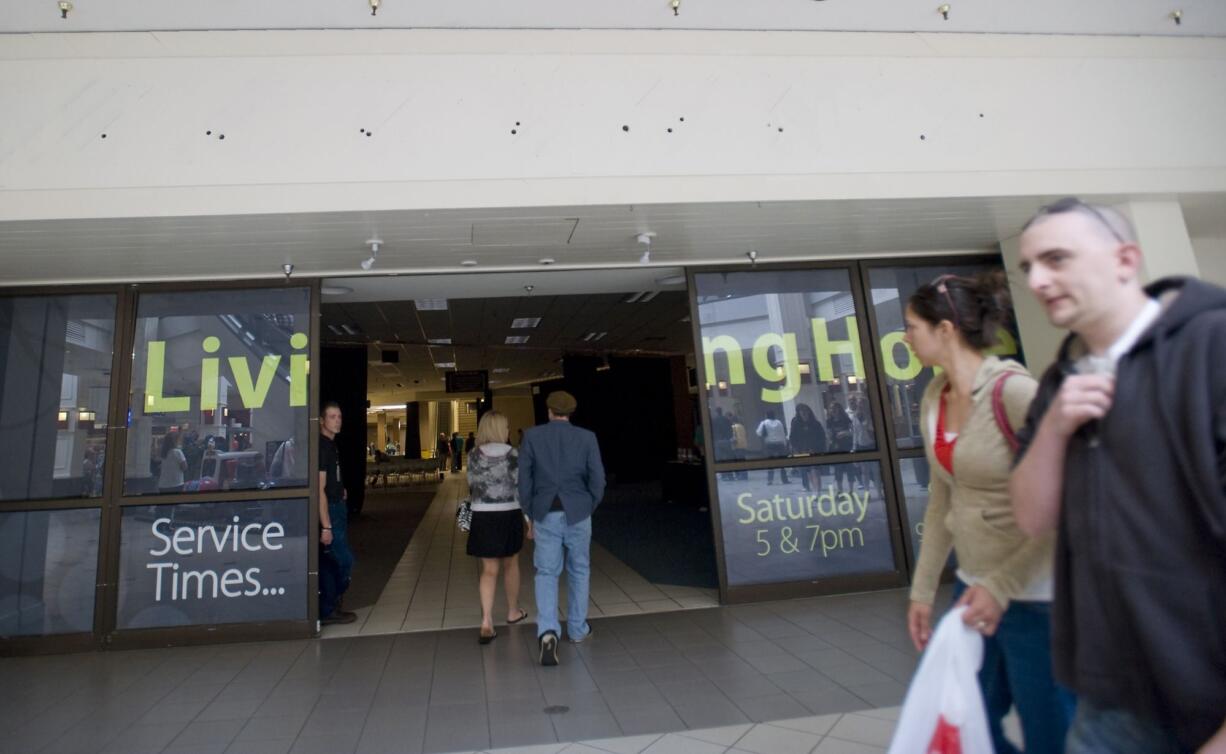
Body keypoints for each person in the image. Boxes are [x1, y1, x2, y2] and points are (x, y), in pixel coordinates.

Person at [1008, 197, 1226, 753]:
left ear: (1125, 260)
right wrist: (1055, 427)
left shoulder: (1211, 348)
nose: (1038, 279)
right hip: (1114, 700)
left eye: (1057, 259)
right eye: (1028, 266)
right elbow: (1033, 516)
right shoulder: (1060, 379)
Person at [903, 270, 1071, 754]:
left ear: (946, 331)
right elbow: (942, 498)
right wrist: (921, 590)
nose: (906, 338)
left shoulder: (1017, 394)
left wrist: (1001, 586)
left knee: (1050, 732)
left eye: (912, 327)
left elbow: (1068, 504)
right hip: (973, 586)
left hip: (1036, 596)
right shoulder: (934, 397)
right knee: (967, 717)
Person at [518, 390, 605, 666]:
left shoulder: (532, 436)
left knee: (546, 572)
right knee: (579, 569)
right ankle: (578, 629)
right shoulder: (587, 437)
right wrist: (588, 506)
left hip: (545, 514)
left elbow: (524, 481)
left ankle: (547, 631)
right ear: (571, 412)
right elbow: (598, 480)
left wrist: (530, 514)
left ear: (549, 411)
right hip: (578, 513)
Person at [465, 411, 530, 644]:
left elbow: (472, 485)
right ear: (500, 429)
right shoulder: (514, 455)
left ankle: (486, 621)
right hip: (509, 514)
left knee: (488, 570)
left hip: (483, 516)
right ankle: (512, 612)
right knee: (511, 564)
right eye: (506, 426)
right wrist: (529, 522)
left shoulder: (472, 455)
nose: (509, 430)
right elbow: (522, 490)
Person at [318, 401, 356, 625]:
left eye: (339, 416)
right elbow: (319, 489)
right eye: (332, 417)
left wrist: (340, 488)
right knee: (343, 560)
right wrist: (326, 525)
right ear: (322, 421)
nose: (337, 420)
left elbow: (331, 480)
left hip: (336, 507)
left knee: (331, 561)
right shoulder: (323, 447)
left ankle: (330, 607)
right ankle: (330, 606)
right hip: (330, 511)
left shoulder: (331, 446)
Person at [788, 403, 827, 491]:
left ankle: (817, 492)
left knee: (815, 472)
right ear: (799, 413)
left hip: (815, 451)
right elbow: (792, 438)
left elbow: (822, 438)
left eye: (805, 411)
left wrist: (819, 449)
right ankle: (814, 489)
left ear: (809, 412)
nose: (804, 413)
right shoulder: (796, 424)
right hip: (802, 451)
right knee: (809, 472)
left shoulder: (816, 424)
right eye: (802, 412)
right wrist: (796, 449)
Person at [755, 410, 789, 484]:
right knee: (782, 463)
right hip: (780, 444)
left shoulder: (764, 423)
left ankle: (770, 480)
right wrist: (785, 443)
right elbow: (783, 433)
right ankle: (784, 479)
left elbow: (759, 433)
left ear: (766, 415)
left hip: (769, 444)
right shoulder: (779, 422)